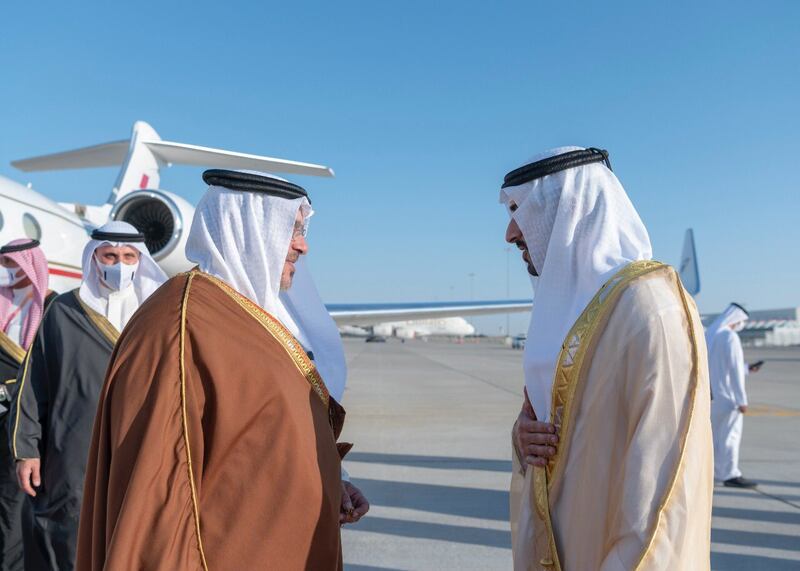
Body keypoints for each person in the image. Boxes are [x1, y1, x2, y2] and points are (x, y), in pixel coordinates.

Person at [77, 170, 369, 571]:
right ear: (247, 229)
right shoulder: (181, 326)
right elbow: (160, 498)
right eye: (293, 229)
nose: (302, 246)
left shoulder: (249, 315)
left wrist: (331, 481)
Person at [503, 147, 713, 570]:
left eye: (521, 209)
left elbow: (665, 489)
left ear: (570, 208)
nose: (510, 232)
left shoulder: (652, 307)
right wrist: (522, 439)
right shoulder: (566, 313)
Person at [8, 222, 166, 571]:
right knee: (68, 532)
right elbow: (35, 383)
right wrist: (27, 449)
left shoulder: (157, 314)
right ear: (94, 257)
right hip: (72, 448)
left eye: (128, 256)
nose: (119, 265)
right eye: (110, 255)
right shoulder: (64, 311)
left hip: (139, 442)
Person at [0, 239, 55, 571]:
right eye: (4, 264)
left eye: (12, 264)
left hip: (24, 425)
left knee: (13, 507)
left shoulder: (51, 308)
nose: (7, 271)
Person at [706, 303, 761, 488]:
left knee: (713, 439)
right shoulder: (730, 337)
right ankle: (730, 474)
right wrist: (741, 400)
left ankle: (710, 472)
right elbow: (734, 370)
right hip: (729, 399)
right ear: (737, 320)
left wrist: (747, 369)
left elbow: (718, 368)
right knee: (730, 437)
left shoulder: (711, 335)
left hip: (712, 398)